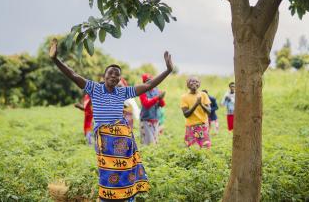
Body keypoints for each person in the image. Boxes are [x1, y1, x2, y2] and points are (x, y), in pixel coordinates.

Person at [49, 38, 173, 201]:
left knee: (126, 170)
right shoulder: (94, 88)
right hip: (105, 141)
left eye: (117, 75)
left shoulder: (122, 92)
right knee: (107, 172)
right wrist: (56, 59)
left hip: (123, 139)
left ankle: (127, 197)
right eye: (111, 73)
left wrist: (168, 70)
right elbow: (73, 75)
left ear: (119, 79)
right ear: (104, 75)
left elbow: (148, 86)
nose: (114, 76)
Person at [180, 77, 212, 149]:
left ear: (199, 84)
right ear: (188, 84)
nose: (194, 82)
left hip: (203, 126)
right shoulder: (184, 97)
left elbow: (209, 111)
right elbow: (186, 114)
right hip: (191, 127)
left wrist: (201, 104)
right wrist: (196, 104)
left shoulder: (203, 95)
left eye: (196, 81)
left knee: (205, 148)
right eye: (192, 81)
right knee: (193, 149)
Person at [139, 73, 166, 145]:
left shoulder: (156, 90)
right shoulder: (142, 91)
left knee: (154, 142)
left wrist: (161, 98)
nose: (150, 82)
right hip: (146, 120)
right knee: (147, 142)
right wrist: (157, 98)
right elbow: (146, 104)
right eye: (147, 81)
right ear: (144, 82)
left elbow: (162, 105)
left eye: (152, 80)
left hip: (155, 119)